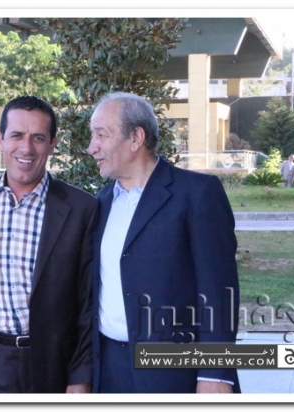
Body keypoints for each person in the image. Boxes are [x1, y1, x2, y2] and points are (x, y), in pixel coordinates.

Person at [87, 92, 240, 393]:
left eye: (101, 135)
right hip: (108, 371)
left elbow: (219, 290)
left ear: (136, 138)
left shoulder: (197, 194)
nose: (92, 147)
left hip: (175, 374)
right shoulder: (101, 202)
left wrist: (216, 374)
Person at [0, 95, 98, 393]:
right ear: (0, 140)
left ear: (52, 144)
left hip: (50, 364)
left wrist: (79, 377)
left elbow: (88, 304)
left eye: (38, 138)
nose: (26, 148)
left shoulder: (81, 209)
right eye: (17, 135)